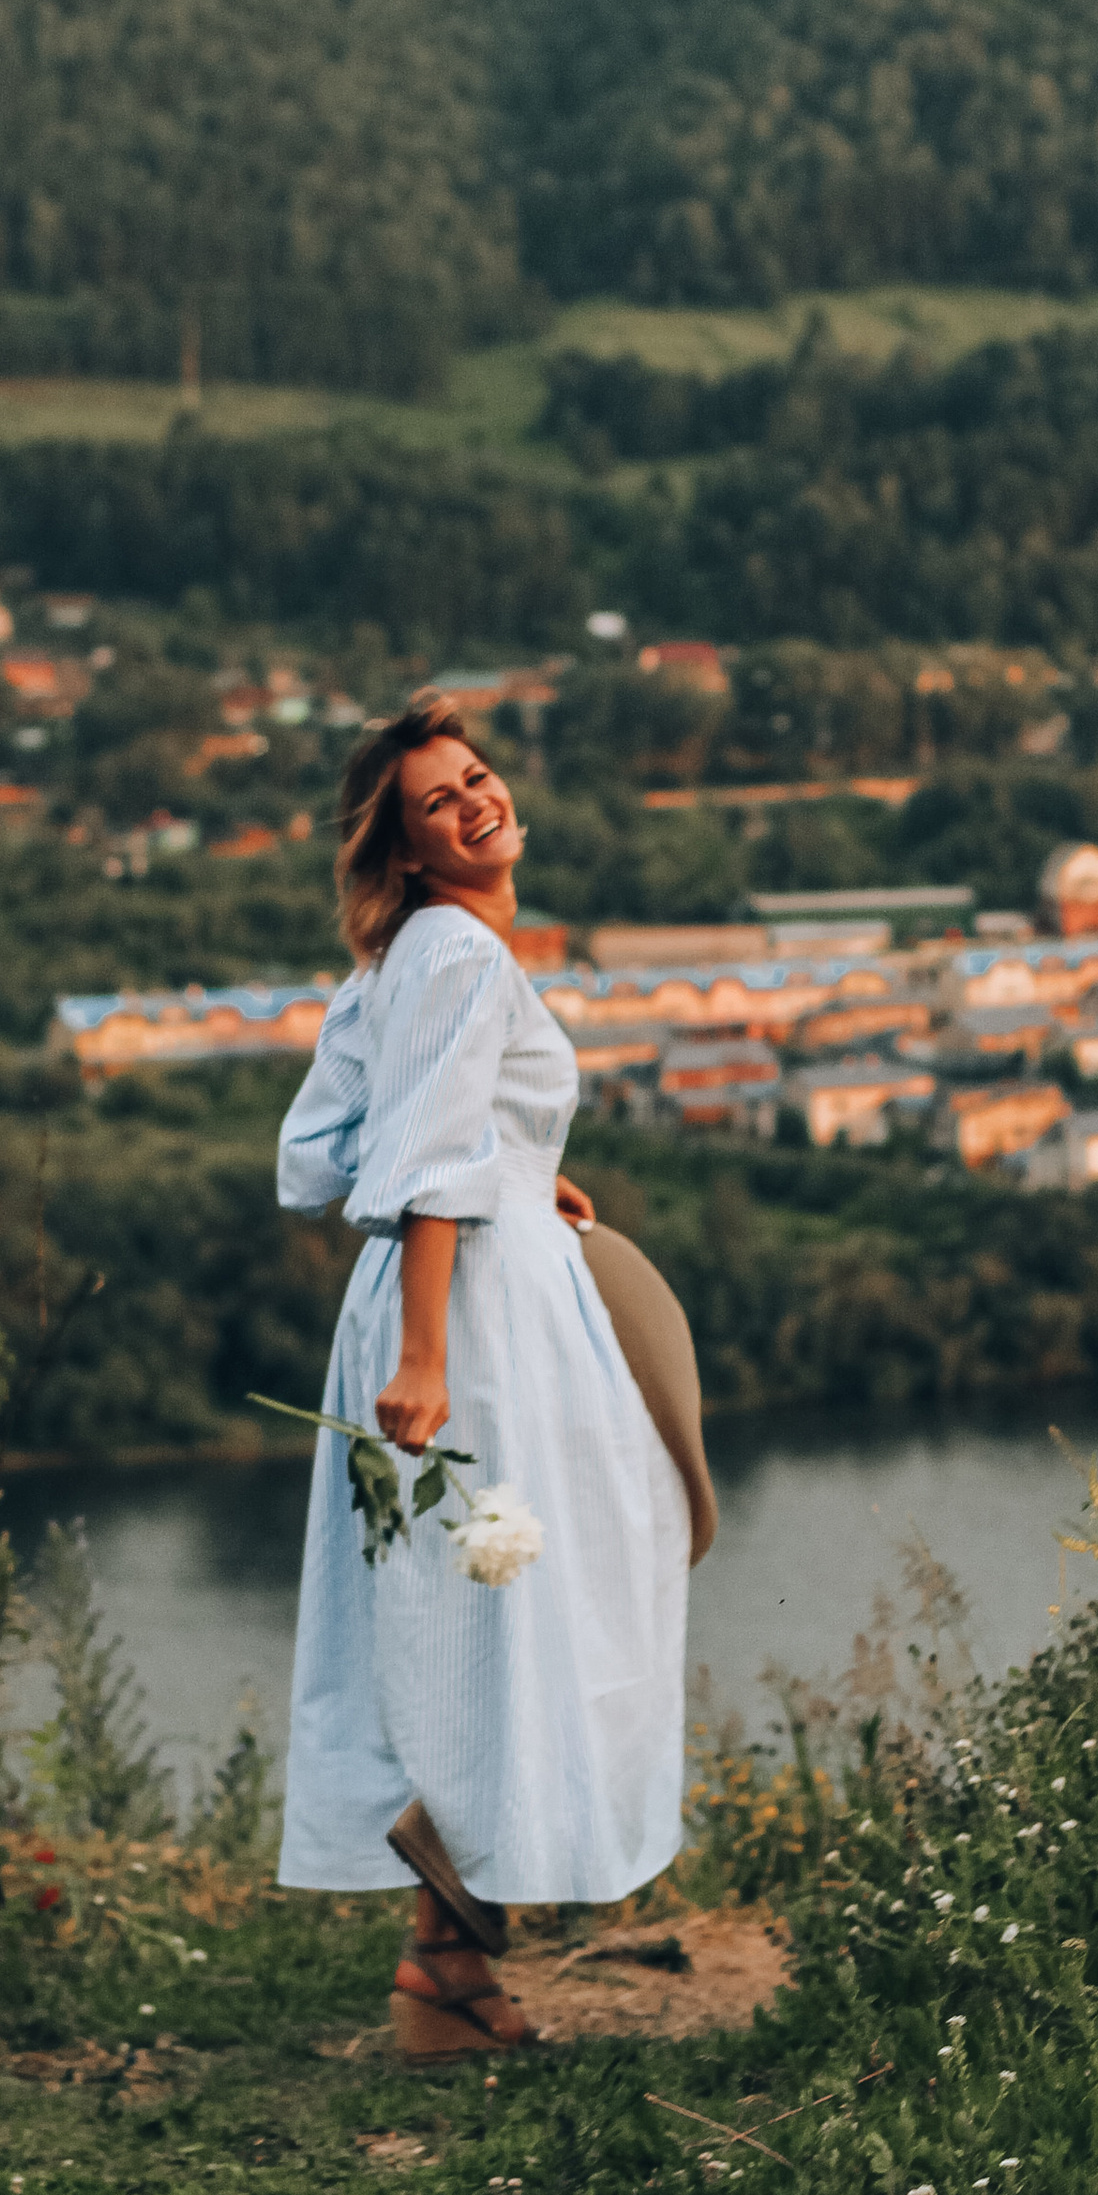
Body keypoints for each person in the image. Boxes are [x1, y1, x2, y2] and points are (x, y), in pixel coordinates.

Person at [274, 693, 690, 2056]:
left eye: (478, 776)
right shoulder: (454, 952)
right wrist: (429, 1355)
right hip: (473, 1318)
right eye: (436, 800)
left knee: (479, 1610)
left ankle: (446, 1975)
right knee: (526, 1602)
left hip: (456, 1280)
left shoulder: (402, 962)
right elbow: (426, 1163)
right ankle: (447, 1960)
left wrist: (520, 1164)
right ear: (404, 848)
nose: (473, 802)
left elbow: (322, 1155)